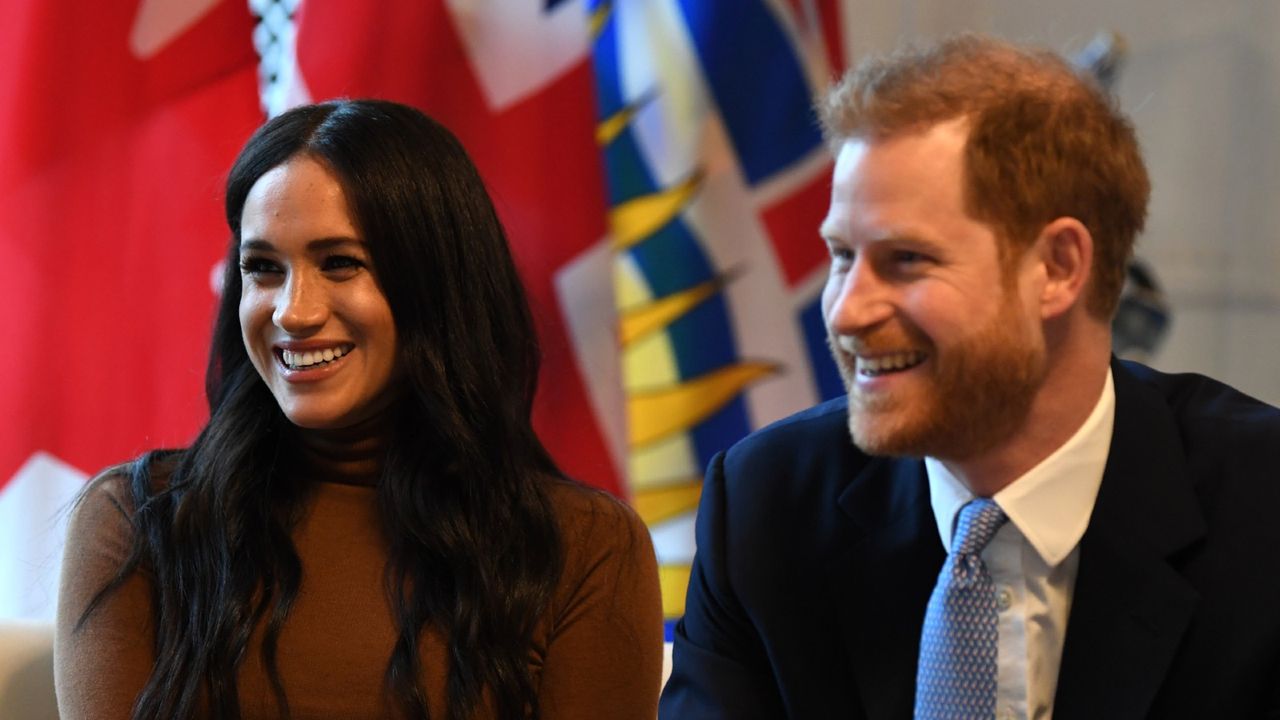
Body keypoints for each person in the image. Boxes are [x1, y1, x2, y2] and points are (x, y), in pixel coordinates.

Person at [660, 34, 1280, 719]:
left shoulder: (1262, 508)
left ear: (1059, 268)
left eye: (907, 260)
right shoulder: (765, 508)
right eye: (841, 255)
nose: (846, 312)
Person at [55, 99, 663, 720]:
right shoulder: (139, 523)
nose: (292, 311)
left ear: (438, 283)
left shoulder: (586, 547)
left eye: (341, 264)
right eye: (263, 268)